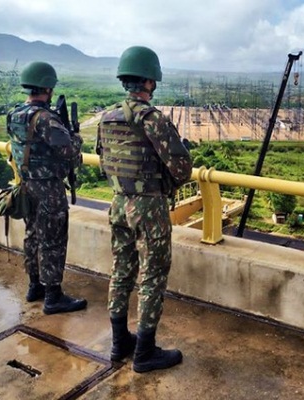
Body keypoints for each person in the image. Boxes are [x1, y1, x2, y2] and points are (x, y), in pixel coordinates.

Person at [96, 46, 192, 373]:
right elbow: (181, 169)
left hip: (118, 203)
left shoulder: (106, 117)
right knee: (152, 274)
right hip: (148, 206)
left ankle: (120, 342)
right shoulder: (153, 119)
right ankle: (145, 351)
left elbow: (102, 162)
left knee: (122, 271)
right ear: (150, 81)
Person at [7, 61, 87, 315]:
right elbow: (69, 151)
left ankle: (34, 286)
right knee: (53, 240)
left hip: (26, 185)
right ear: (47, 88)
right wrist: (75, 136)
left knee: (32, 236)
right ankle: (53, 296)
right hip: (48, 189)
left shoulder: (16, 114)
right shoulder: (45, 119)